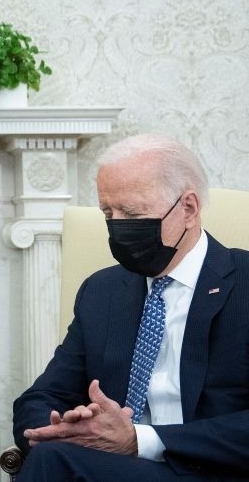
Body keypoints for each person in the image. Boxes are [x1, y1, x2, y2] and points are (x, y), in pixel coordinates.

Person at [13, 134, 249, 480]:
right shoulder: (102, 291)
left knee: (54, 462)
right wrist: (61, 427)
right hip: (117, 469)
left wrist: (140, 439)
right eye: (108, 212)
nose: (118, 226)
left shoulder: (243, 283)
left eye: (133, 212)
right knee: (51, 454)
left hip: (213, 469)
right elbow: (43, 395)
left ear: (188, 208)